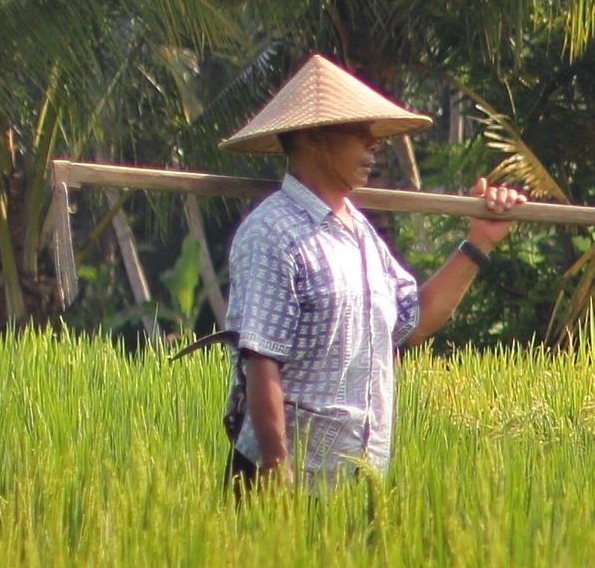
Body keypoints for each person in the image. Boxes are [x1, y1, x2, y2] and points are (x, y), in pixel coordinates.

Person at [215, 56, 528, 483]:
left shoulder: (359, 231)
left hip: (356, 478)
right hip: (287, 478)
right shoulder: (272, 232)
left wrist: (479, 242)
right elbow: (260, 358)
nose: (373, 144)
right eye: (358, 131)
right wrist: (276, 465)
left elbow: (412, 322)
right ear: (311, 135)